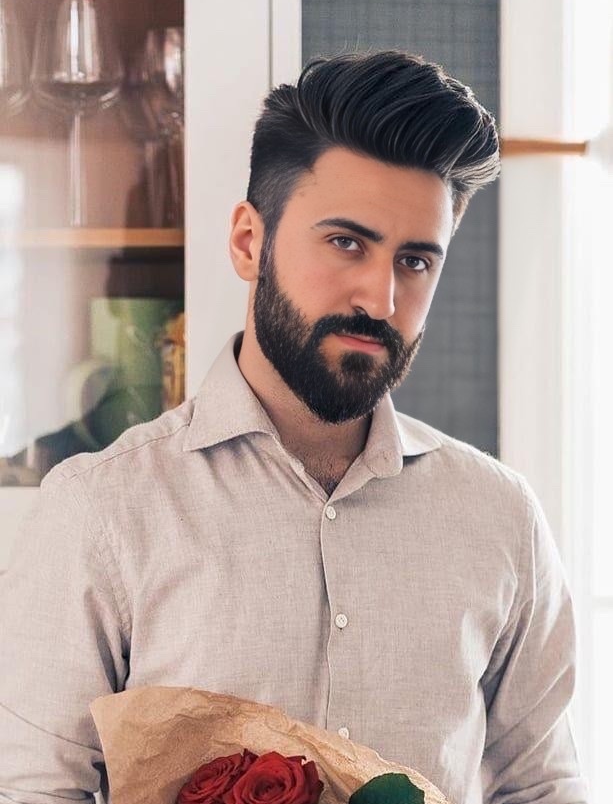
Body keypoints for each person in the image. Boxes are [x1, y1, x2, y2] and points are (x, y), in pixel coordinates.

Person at [0, 51, 588, 804]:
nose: (379, 297)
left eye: (414, 260)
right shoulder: (100, 510)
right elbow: (32, 791)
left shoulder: (501, 517)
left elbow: (544, 785)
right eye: (346, 243)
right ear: (249, 242)